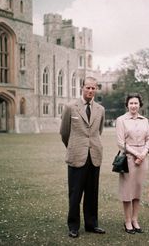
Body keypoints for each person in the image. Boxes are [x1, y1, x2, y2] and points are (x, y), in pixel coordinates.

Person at [60, 76, 106, 238]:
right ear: (82, 87)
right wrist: (74, 146)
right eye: (88, 87)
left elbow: (98, 131)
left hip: (94, 155)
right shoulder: (70, 107)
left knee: (92, 193)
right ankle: (73, 226)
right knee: (75, 193)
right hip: (76, 155)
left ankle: (92, 224)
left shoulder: (100, 109)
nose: (91, 90)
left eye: (93, 88)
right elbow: (64, 132)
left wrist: (90, 145)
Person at [115, 93, 149, 234]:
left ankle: (135, 220)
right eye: (131, 103)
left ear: (139, 105)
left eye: (136, 103)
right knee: (127, 192)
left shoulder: (145, 120)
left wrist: (143, 153)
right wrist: (136, 154)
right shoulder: (121, 120)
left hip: (142, 160)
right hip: (128, 159)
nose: (133, 106)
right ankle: (127, 221)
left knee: (137, 191)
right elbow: (120, 143)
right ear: (127, 105)